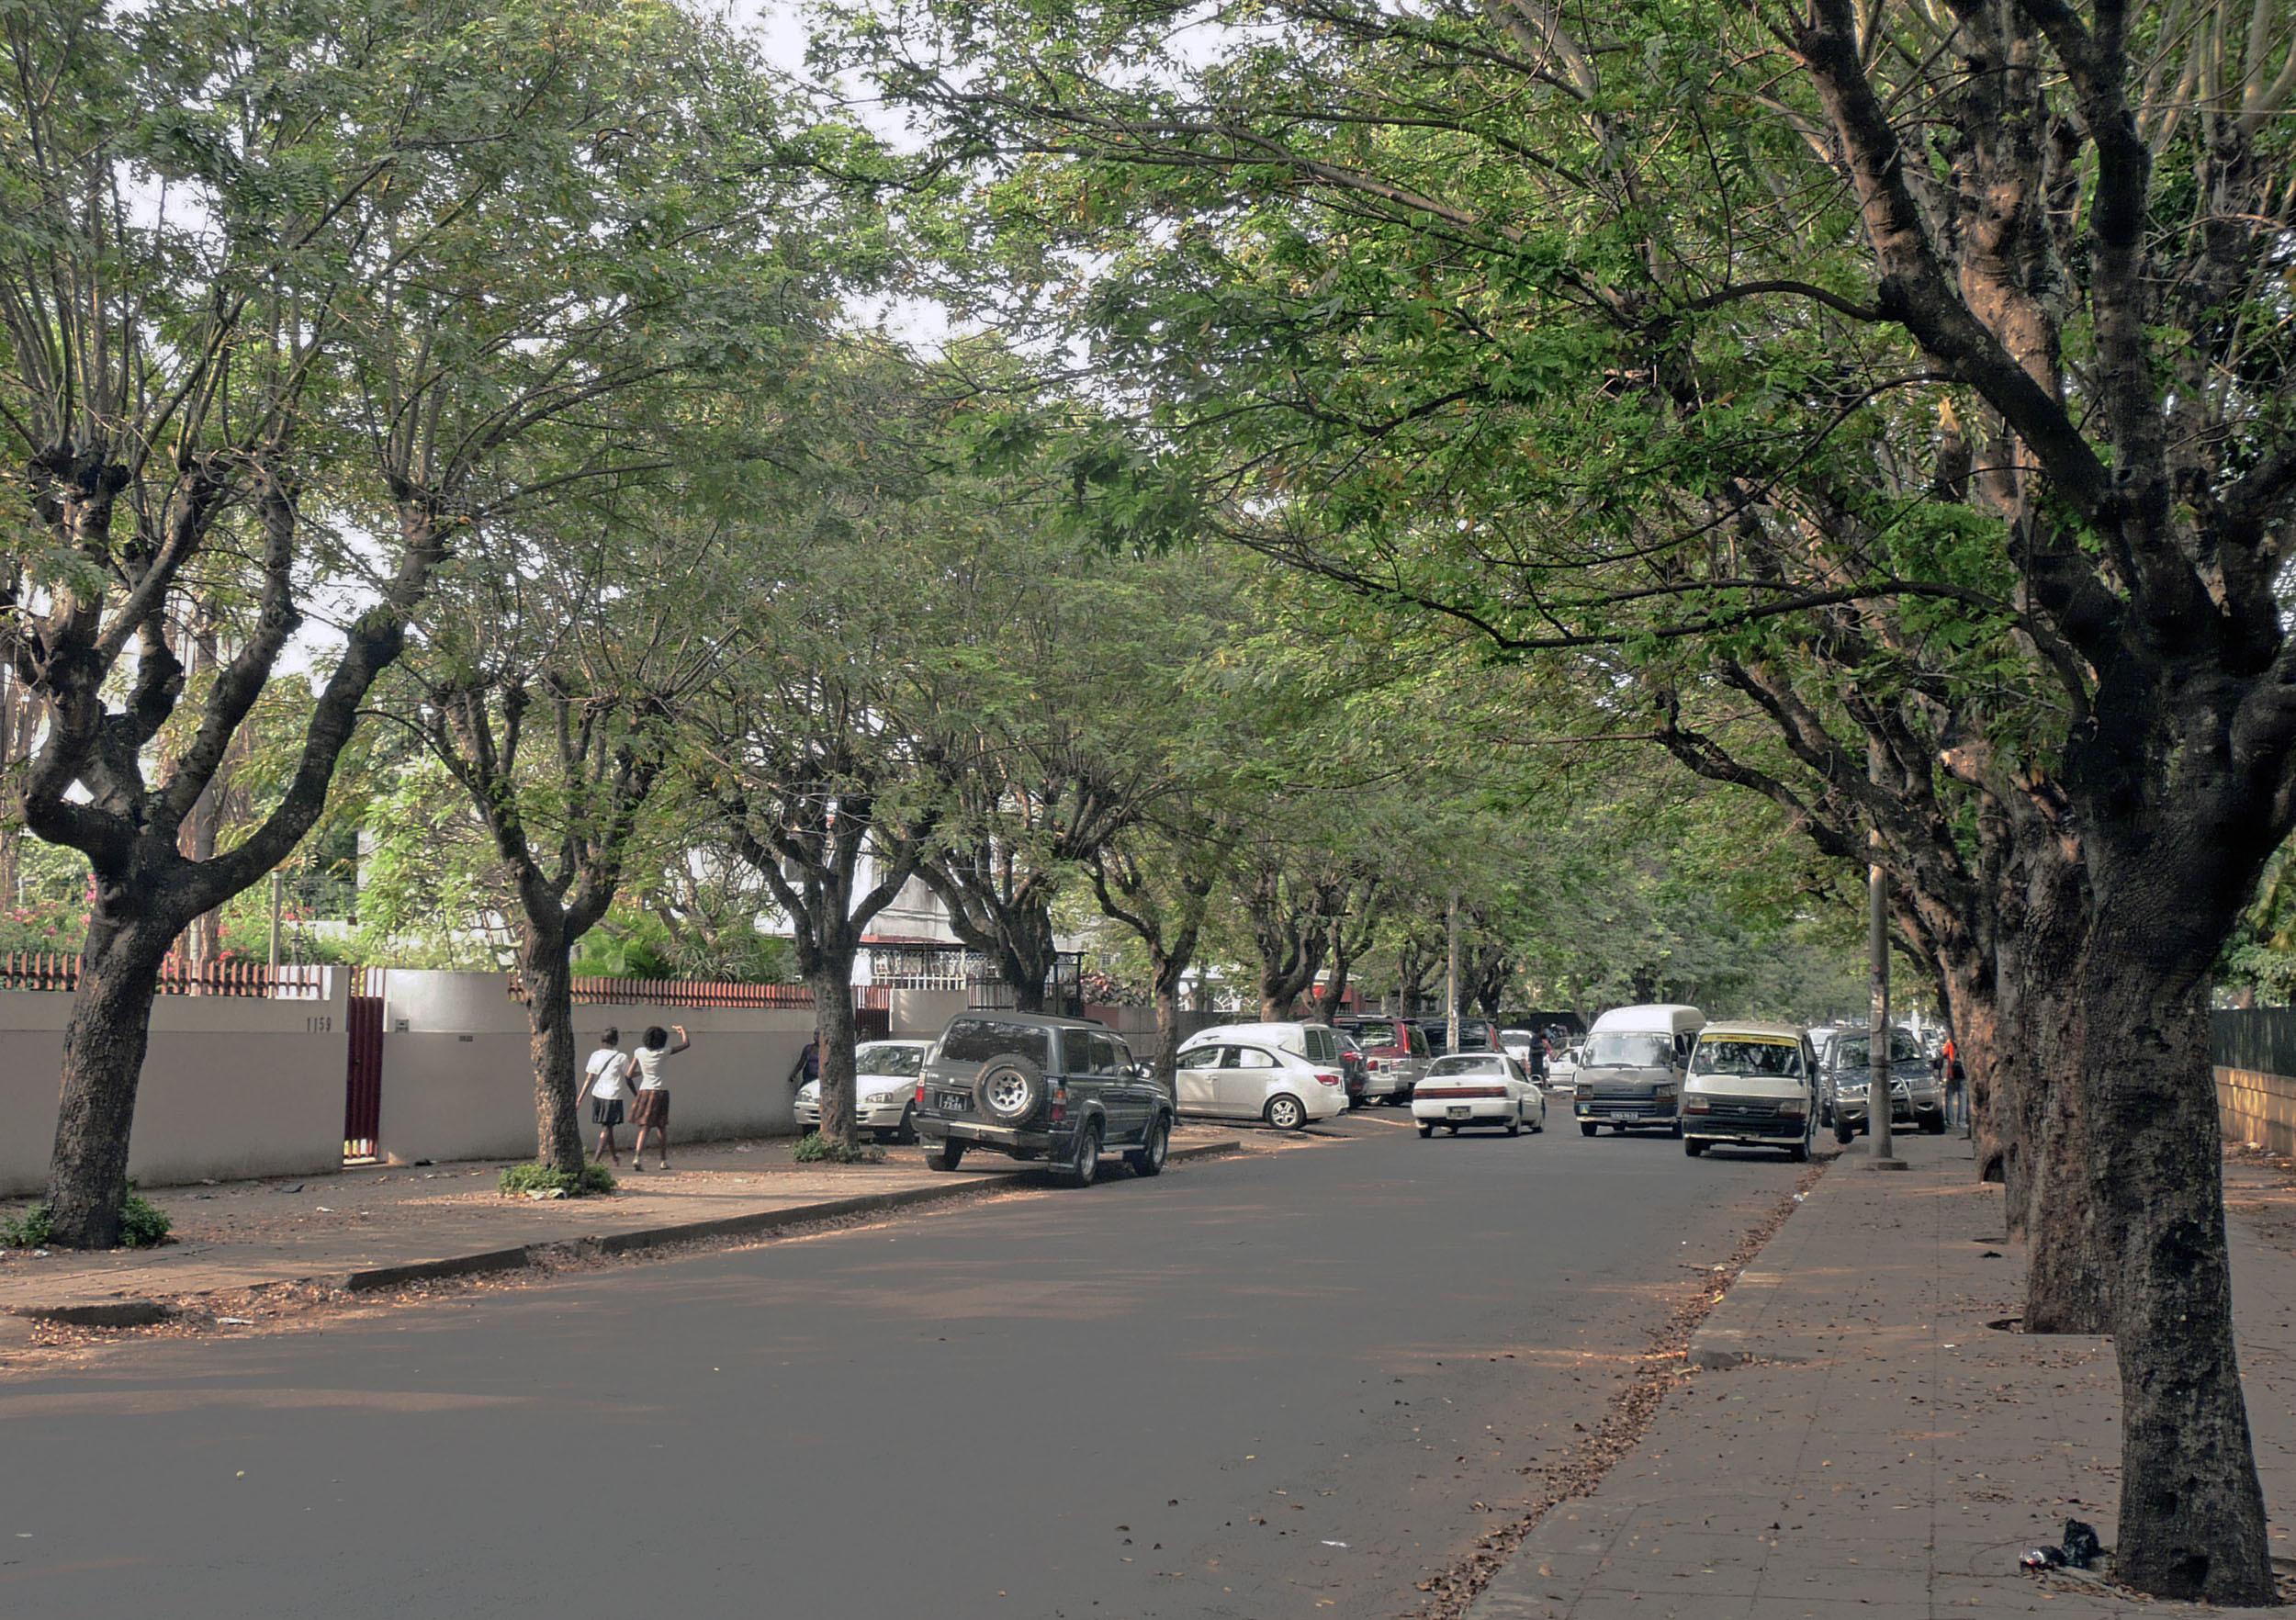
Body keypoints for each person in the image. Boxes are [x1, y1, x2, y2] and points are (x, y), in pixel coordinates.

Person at [627, 1022, 689, 1172]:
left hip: (644, 1090)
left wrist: (637, 1093)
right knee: (661, 1127)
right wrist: (682, 1031)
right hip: (660, 1092)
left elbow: (628, 1075)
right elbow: (686, 1044)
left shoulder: (639, 1052)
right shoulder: (664, 1052)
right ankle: (663, 1160)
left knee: (644, 1127)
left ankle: (637, 1157)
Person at [579, 1027, 633, 1164]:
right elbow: (628, 1076)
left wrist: (579, 1099)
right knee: (607, 1127)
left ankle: (615, 1157)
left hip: (598, 1094)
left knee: (608, 1126)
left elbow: (589, 1078)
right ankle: (596, 1160)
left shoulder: (595, 1055)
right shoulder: (621, 1057)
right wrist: (636, 1093)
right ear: (615, 1041)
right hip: (613, 1095)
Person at [1941, 1036, 1967, 1132]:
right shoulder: (1965, 1040)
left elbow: (1943, 1054)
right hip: (1963, 1074)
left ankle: (1950, 1121)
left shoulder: (1949, 1042)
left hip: (1952, 1074)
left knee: (1949, 1098)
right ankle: (1962, 1122)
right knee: (1963, 1097)